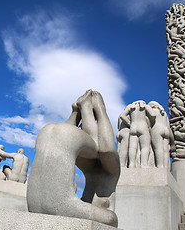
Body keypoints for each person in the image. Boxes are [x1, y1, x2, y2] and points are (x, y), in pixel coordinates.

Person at [27, 90, 120, 227]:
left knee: (62, 133)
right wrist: (98, 109)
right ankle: (81, 109)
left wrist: (82, 111)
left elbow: (106, 149)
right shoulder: (89, 162)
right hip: (65, 206)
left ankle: (79, 109)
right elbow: (71, 138)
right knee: (111, 218)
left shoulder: (110, 170)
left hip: (35, 204)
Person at [120, 100, 151, 168]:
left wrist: (129, 123)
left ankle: (131, 164)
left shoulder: (130, 106)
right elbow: (153, 115)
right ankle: (144, 164)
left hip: (133, 127)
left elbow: (122, 115)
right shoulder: (144, 106)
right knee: (145, 147)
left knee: (132, 148)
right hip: (143, 127)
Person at [146, 101, 175, 168]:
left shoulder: (153, 111)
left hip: (157, 130)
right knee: (165, 150)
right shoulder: (164, 114)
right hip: (166, 131)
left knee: (158, 149)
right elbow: (169, 128)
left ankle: (160, 167)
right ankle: (166, 168)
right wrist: (172, 143)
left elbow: (148, 125)